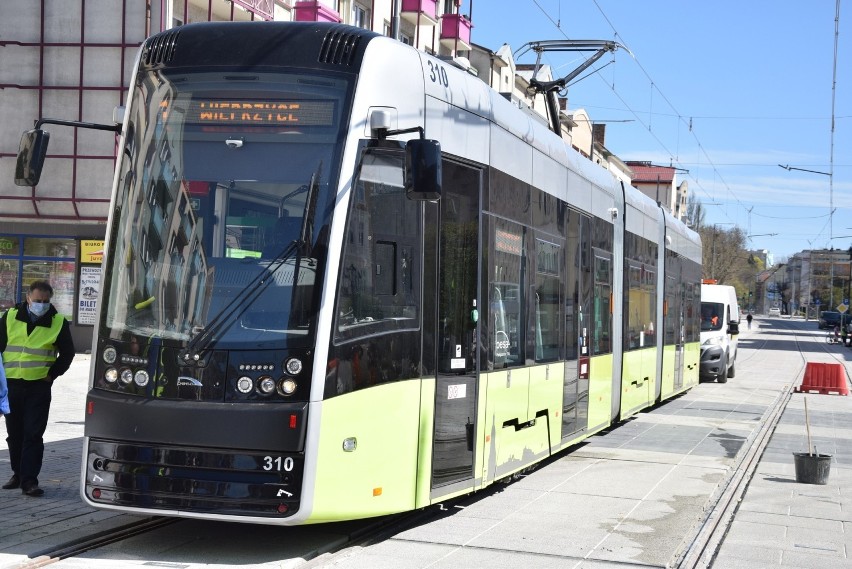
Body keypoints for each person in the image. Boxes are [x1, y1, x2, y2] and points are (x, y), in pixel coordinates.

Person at [1, 280, 75, 497]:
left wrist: (52, 374)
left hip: (38, 388)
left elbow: (68, 353)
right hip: (12, 385)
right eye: (37, 300)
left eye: (45, 301)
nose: (41, 304)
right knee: (14, 435)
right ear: (28, 298)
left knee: (33, 434)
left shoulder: (58, 321)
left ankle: (29, 481)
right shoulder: (10, 317)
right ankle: (18, 473)